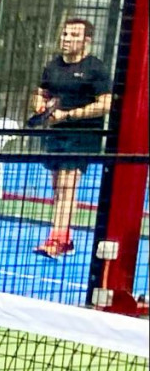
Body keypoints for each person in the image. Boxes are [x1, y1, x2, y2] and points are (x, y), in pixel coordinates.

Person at [28, 17, 112, 260]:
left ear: (87, 40)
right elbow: (41, 93)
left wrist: (69, 115)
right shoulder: (52, 66)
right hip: (56, 134)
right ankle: (66, 239)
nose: (66, 39)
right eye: (65, 34)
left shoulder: (95, 69)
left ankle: (56, 239)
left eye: (74, 35)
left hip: (82, 135)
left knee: (67, 186)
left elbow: (106, 103)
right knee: (58, 187)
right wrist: (41, 107)